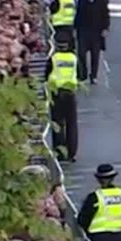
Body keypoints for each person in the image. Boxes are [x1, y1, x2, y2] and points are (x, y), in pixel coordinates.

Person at [45, 34, 79, 162]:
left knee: (58, 124)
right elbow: (81, 74)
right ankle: (72, 153)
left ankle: (60, 153)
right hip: (70, 93)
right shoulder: (73, 58)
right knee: (72, 124)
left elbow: (46, 75)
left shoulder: (53, 59)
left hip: (56, 94)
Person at [74, 0, 109, 83]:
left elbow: (105, 14)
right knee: (81, 53)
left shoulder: (102, 2)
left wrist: (105, 28)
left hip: (97, 31)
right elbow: (78, 14)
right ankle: (83, 74)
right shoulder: (82, 1)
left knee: (95, 54)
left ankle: (94, 76)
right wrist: (75, 28)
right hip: (83, 30)